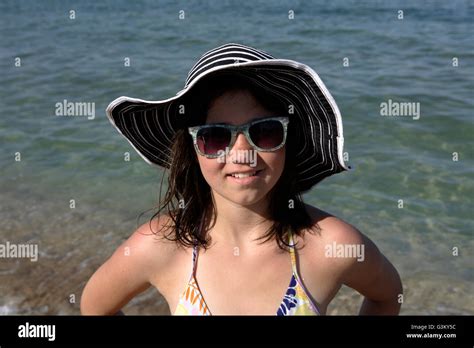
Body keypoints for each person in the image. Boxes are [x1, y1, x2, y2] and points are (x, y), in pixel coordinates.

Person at [80, 43, 402, 315]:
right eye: (216, 137)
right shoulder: (161, 246)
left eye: (265, 131)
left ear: (289, 140)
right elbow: (94, 306)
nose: (243, 154)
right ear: (192, 150)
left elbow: (387, 294)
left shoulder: (331, 245)